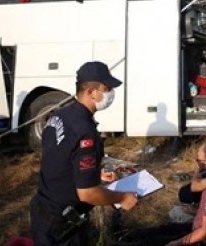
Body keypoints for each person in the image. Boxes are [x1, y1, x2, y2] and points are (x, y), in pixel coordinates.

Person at [30, 61, 138, 246]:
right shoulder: (85, 131)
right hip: (62, 227)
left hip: (43, 211)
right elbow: (88, 194)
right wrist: (122, 198)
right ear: (91, 92)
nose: (111, 92)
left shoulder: (59, 116)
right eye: (107, 88)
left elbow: (60, 157)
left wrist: (94, 174)